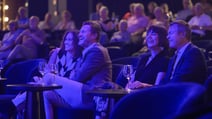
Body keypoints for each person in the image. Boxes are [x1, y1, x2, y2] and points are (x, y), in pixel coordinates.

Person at [41, 21, 112, 119]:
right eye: (80, 32)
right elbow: (76, 75)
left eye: (83, 32)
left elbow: (77, 77)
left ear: (94, 35)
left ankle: (14, 106)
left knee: (48, 77)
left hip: (93, 96)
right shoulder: (87, 51)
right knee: (47, 93)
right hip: (84, 94)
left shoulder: (97, 51)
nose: (80, 35)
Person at [161, 20, 207, 84]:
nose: (167, 37)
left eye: (171, 33)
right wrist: (150, 87)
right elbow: (166, 80)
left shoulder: (193, 53)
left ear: (182, 34)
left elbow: (180, 80)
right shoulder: (174, 56)